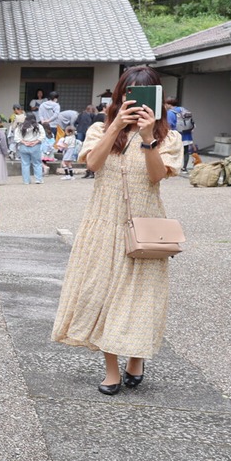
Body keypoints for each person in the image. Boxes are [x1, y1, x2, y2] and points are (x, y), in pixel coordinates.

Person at [51, 65, 181, 396]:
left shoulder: (169, 137)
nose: (134, 103)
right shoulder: (100, 128)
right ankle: (111, 369)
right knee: (104, 296)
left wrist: (148, 139)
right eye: (128, 95)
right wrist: (116, 127)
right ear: (120, 97)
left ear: (157, 99)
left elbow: (156, 177)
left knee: (139, 299)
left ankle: (136, 357)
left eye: (144, 97)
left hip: (146, 226)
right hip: (103, 224)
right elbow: (92, 164)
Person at [165, 96, 198, 172]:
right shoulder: (183, 109)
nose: (165, 105)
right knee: (186, 151)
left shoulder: (170, 112)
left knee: (173, 151)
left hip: (177, 135)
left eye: (166, 104)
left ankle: (173, 167)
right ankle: (184, 168)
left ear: (169, 104)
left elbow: (170, 124)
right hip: (187, 135)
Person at [14, 112, 46, 184]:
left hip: (23, 146)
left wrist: (24, 142)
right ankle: (38, 179)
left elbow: (16, 137)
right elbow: (43, 136)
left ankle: (26, 181)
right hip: (35, 146)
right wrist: (36, 142)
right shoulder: (38, 126)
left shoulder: (20, 126)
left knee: (25, 164)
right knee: (37, 163)